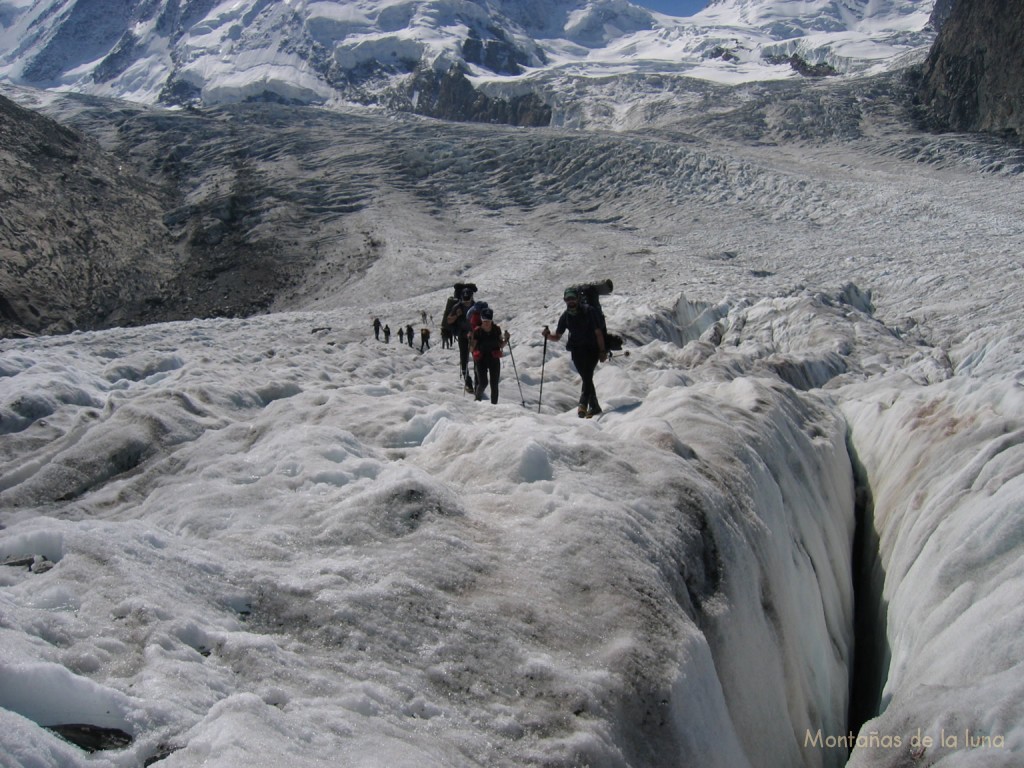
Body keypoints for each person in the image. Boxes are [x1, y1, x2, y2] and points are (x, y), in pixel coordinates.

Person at [542, 286, 607, 418]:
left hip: (592, 349)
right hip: (576, 352)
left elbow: (598, 332)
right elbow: (558, 336)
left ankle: (582, 404)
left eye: (572, 298)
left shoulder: (589, 311)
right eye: (567, 299)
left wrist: (602, 351)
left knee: (587, 376)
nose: (570, 301)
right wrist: (547, 336)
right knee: (586, 377)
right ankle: (595, 407)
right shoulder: (565, 316)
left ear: (578, 298)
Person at [469, 308, 508, 404]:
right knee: (483, 382)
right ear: (482, 320)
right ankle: (478, 399)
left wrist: (506, 339)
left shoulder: (496, 330)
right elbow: (471, 349)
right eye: (485, 321)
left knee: (494, 385)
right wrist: (471, 341)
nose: (486, 323)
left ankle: (494, 405)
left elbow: (500, 345)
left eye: (488, 321)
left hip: (493, 359)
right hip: (481, 359)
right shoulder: (477, 331)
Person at [446, 286, 478, 393]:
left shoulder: (475, 307)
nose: (466, 301)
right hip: (463, 335)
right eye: (465, 299)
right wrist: (456, 315)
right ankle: (468, 382)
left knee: (476, 358)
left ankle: (477, 382)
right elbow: (449, 320)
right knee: (465, 358)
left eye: (467, 298)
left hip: (474, 336)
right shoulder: (457, 307)